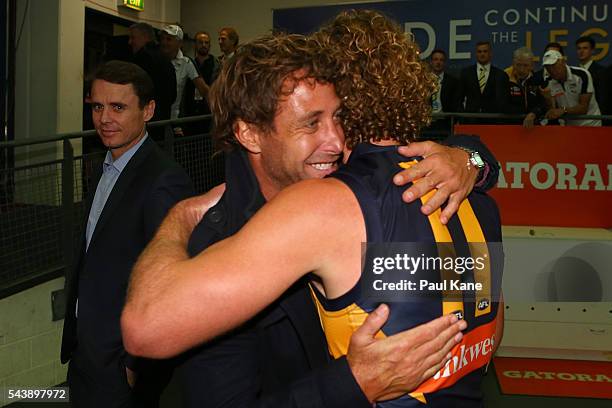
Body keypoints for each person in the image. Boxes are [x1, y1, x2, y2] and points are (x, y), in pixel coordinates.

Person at [122, 11, 503, 407]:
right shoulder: (224, 239)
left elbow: (446, 305)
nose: (336, 141)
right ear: (248, 132)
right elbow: (146, 330)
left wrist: (472, 161)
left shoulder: (403, 189)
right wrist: (352, 383)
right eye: (311, 123)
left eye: (339, 116)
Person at [60, 60, 194, 408]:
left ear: (148, 110)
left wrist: (136, 365)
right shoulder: (105, 165)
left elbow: (170, 280)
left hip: (122, 364)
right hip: (86, 351)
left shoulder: (163, 180)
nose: (104, 118)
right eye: (98, 107)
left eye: (118, 107)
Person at [127, 22, 176, 124]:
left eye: (133, 37)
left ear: (145, 37)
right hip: (162, 121)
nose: (130, 42)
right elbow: (172, 95)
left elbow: (134, 91)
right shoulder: (166, 59)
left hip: (143, 120)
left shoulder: (142, 59)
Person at [159, 25, 209, 121]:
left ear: (180, 43)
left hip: (173, 119)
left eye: (169, 39)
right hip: (153, 117)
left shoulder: (186, 63)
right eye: (162, 39)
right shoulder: (154, 59)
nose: (164, 43)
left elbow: (204, 90)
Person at [542, 49, 602, 126]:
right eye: (547, 67)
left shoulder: (582, 75)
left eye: (554, 66)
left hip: (591, 124)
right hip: (569, 127)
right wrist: (548, 100)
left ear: (563, 62)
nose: (551, 70)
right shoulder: (548, 81)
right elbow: (553, 111)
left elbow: (583, 108)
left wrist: (563, 110)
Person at [458, 41, 510, 122]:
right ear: (476, 54)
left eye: (485, 51)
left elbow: (504, 100)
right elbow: (459, 98)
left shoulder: (500, 75)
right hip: (470, 121)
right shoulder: (466, 73)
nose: (482, 54)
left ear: (490, 53)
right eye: (479, 51)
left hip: (492, 121)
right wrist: (462, 117)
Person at [505, 47, 547, 128]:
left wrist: (533, 113)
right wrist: (525, 113)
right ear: (513, 64)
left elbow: (543, 104)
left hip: (533, 128)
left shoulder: (539, 80)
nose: (521, 69)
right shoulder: (505, 79)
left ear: (532, 66)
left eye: (525, 65)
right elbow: (503, 105)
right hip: (509, 127)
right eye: (518, 65)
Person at [426, 49, 461, 136]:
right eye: (436, 59)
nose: (438, 62)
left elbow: (456, 104)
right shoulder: (423, 81)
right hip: (426, 122)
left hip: (445, 123)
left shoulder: (453, 82)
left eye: (441, 60)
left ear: (445, 63)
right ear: (431, 62)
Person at [575, 36, 605, 110]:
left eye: (585, 48)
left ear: (592, 51)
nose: (581, 51)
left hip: (596, 115)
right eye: (579, 48)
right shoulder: (573, 71)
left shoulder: (602, 71)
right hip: (575, 114)